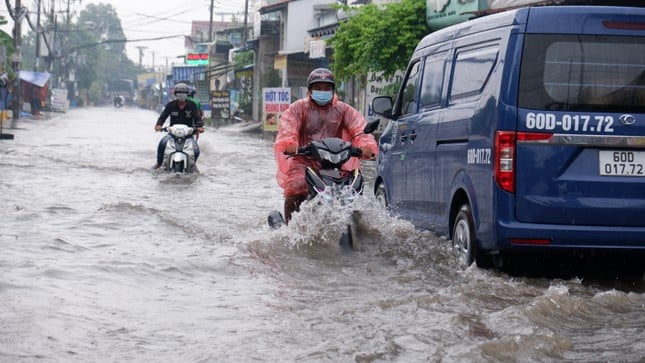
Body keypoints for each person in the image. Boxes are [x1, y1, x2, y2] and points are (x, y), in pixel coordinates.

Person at [274, 67, 378, 223]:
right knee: (296, 185)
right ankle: (290, 228)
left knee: (354, 189)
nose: (323, 91)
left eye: (327, 88)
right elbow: (288, 125)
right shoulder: (298, 108)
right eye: (318, 88)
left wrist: (365, 145)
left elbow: (359, 128)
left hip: (335, 161)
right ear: (310, 90)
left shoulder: (343, 109)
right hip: (304, 160)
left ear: (333, 89)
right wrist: (290, 143)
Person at [153, 83, 204, 169]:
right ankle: (159, 163)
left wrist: (200, 127)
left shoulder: (192, 105)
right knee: (162, 144)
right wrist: (158, 125)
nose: (181, 94)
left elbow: (198, 118)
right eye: (179, 92)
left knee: (196, 149)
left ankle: (192, 164)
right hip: (172, 134)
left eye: (184, 92)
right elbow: (163, 117)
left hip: (188, 135)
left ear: (187, 94)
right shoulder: (170, 105)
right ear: (175, 94)